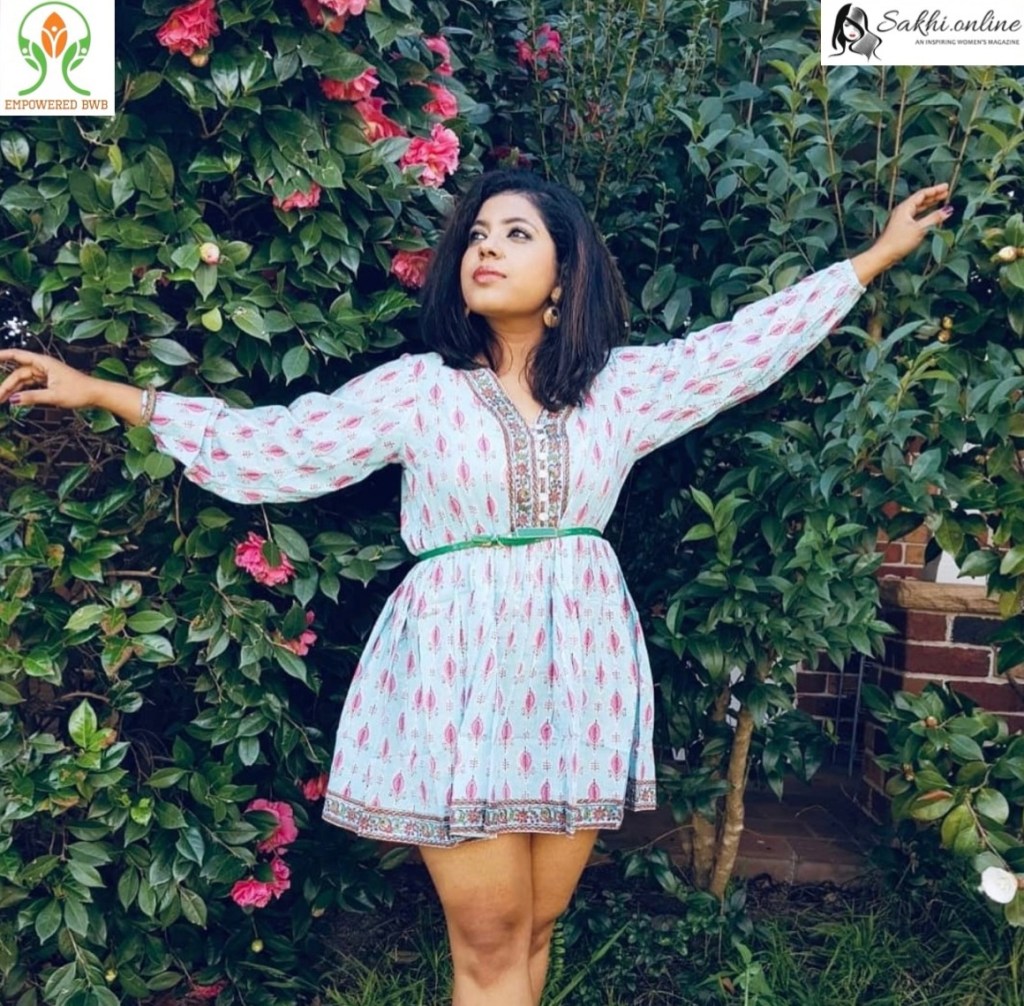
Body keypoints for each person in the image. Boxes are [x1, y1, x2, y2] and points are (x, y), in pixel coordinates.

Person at [0, 170, 951, 1006]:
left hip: (578, 681)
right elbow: (280, 445)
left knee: (534, 931)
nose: (486, 249)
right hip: (457, 681)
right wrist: (108, 393)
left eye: (516, 234)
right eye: (477, 236)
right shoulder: (419, 389)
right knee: (491, 941)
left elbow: (741, 351)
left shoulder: (619, 389)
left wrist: (874, 257)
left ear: (565, 275)